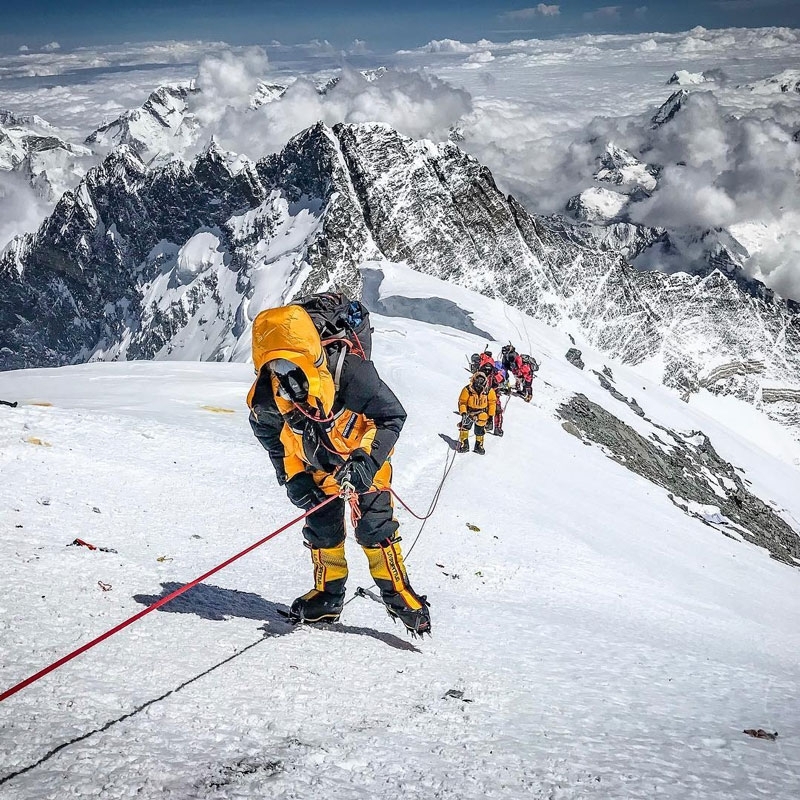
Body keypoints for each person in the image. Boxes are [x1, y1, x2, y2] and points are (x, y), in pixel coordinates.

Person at [247, 303, 431, 636]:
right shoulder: (267, 397)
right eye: (277, 371)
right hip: (314, 463)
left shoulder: (352, 374)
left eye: (293, 370)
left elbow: (391, 416)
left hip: (363, 456)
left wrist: (366, 462)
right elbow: (270, 435)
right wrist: (293, 476)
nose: (288, 383)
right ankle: (327, 597)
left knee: (374, 528)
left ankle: (400, 595)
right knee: (322, 530)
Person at [457, 371, 497, 455]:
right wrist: (463, 412)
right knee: (464, 427)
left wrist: (490, 416)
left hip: (482, 413)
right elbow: (462, 402)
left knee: (480, 430)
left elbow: (492, 403)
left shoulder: (489, 391)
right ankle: (464, 444)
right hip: (469, 412)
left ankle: (479, 445)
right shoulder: (467, 390)